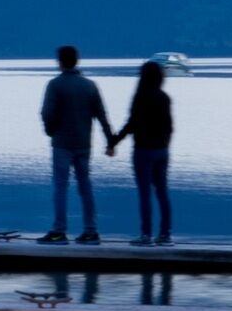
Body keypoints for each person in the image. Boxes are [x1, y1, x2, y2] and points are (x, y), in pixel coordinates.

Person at [38, 46, 108, 243]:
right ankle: (91, 231)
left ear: (60, 62)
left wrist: (50, 131)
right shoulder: (90, 85)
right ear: (77, 61)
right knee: (85, 187)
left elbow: (47, 113)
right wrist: (110, 140)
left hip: (61, 144)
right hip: (84, 144)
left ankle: (59, 231)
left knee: (60, 187)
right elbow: (101, 115)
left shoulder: (55, 85)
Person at [104, 58, 173, 245]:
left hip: (143, 151)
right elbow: (169, 127)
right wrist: (164, 145)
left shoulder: (141, 97)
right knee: (162, 193)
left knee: (145, 194)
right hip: (162, 151)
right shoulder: (164, 98)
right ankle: (165, 235)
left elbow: (131, 125)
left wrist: (113, 142)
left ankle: (146, 235)